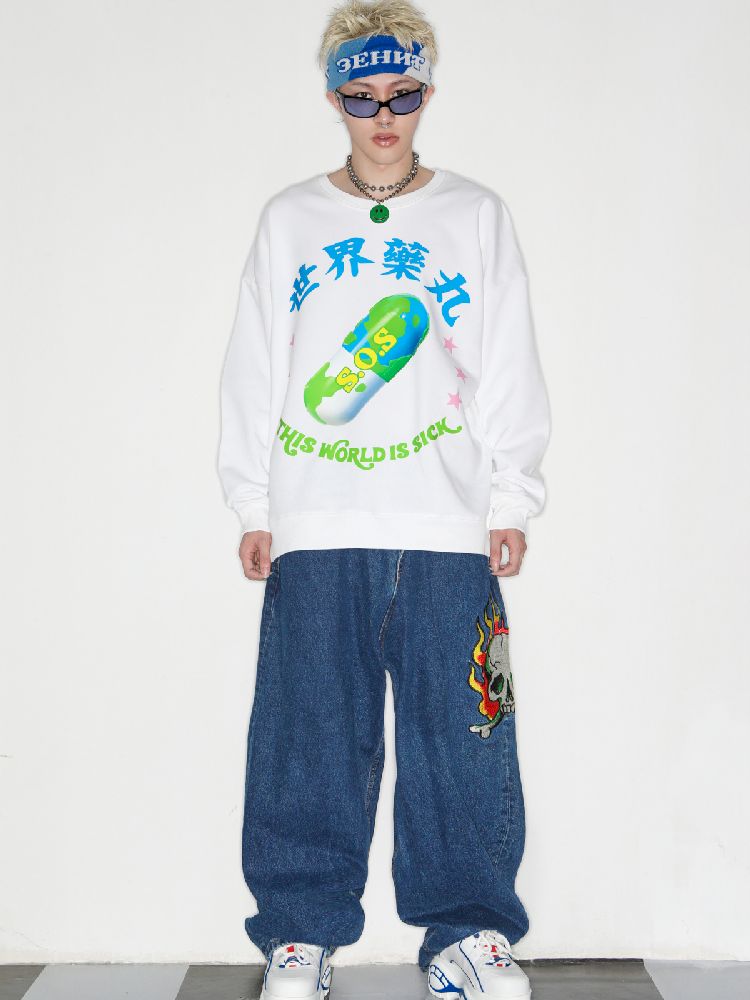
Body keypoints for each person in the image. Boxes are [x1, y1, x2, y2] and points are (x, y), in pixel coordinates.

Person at [217, 2, 551, 997]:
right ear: (334, 100)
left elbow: (506, 358)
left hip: (446, 519)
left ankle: (468, 934)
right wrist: (254, 502)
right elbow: (253, 366)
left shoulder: (474, 215)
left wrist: (512, 494)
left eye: (402, 94)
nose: (384, 116)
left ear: (427, 92)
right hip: (317, 513)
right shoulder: (290, 221)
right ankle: (299, 935)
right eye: (362, 97)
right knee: (309, 733)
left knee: (464, 737)